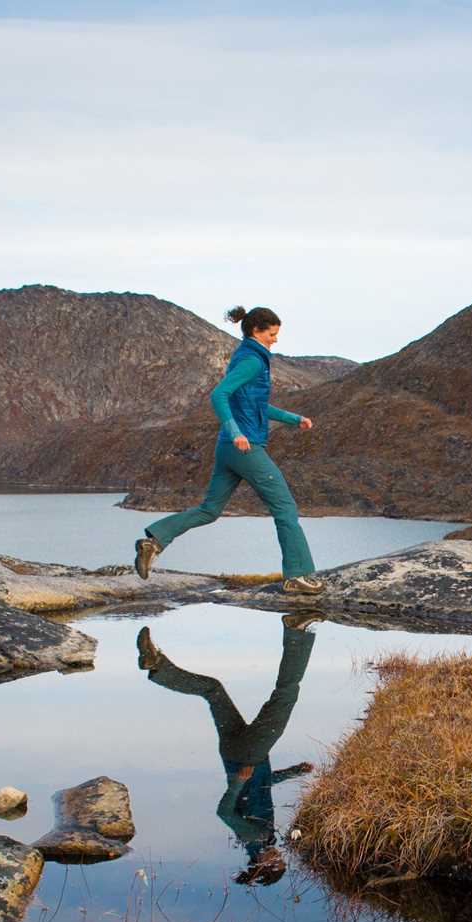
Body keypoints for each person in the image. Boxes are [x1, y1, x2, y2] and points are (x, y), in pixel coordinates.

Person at [133, 305, 324, 595]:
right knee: (285, 508)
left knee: (209, 510)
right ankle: (297, 575)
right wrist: (237, 433)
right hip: (244, 447)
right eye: (272, 334)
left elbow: (255, 405)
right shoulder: (253, 361)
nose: (275, 339)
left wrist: (293, 419)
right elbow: (219, 395)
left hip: (228, 449)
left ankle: (155, 541)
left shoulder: (246, 356)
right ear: (256, 331)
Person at [136, 614, 320, 885]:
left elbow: (224, 813)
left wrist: (237, 784)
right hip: (234, 751)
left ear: (260, 864)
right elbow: (263, 785)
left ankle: (297, 631)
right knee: (213, 689)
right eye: (280, 861)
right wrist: (293, 772)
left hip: (250, 753)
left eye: (275, 863)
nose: (279, 857)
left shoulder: (254, 837)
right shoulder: (261, 838)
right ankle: (157, 665)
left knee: (286, 693)